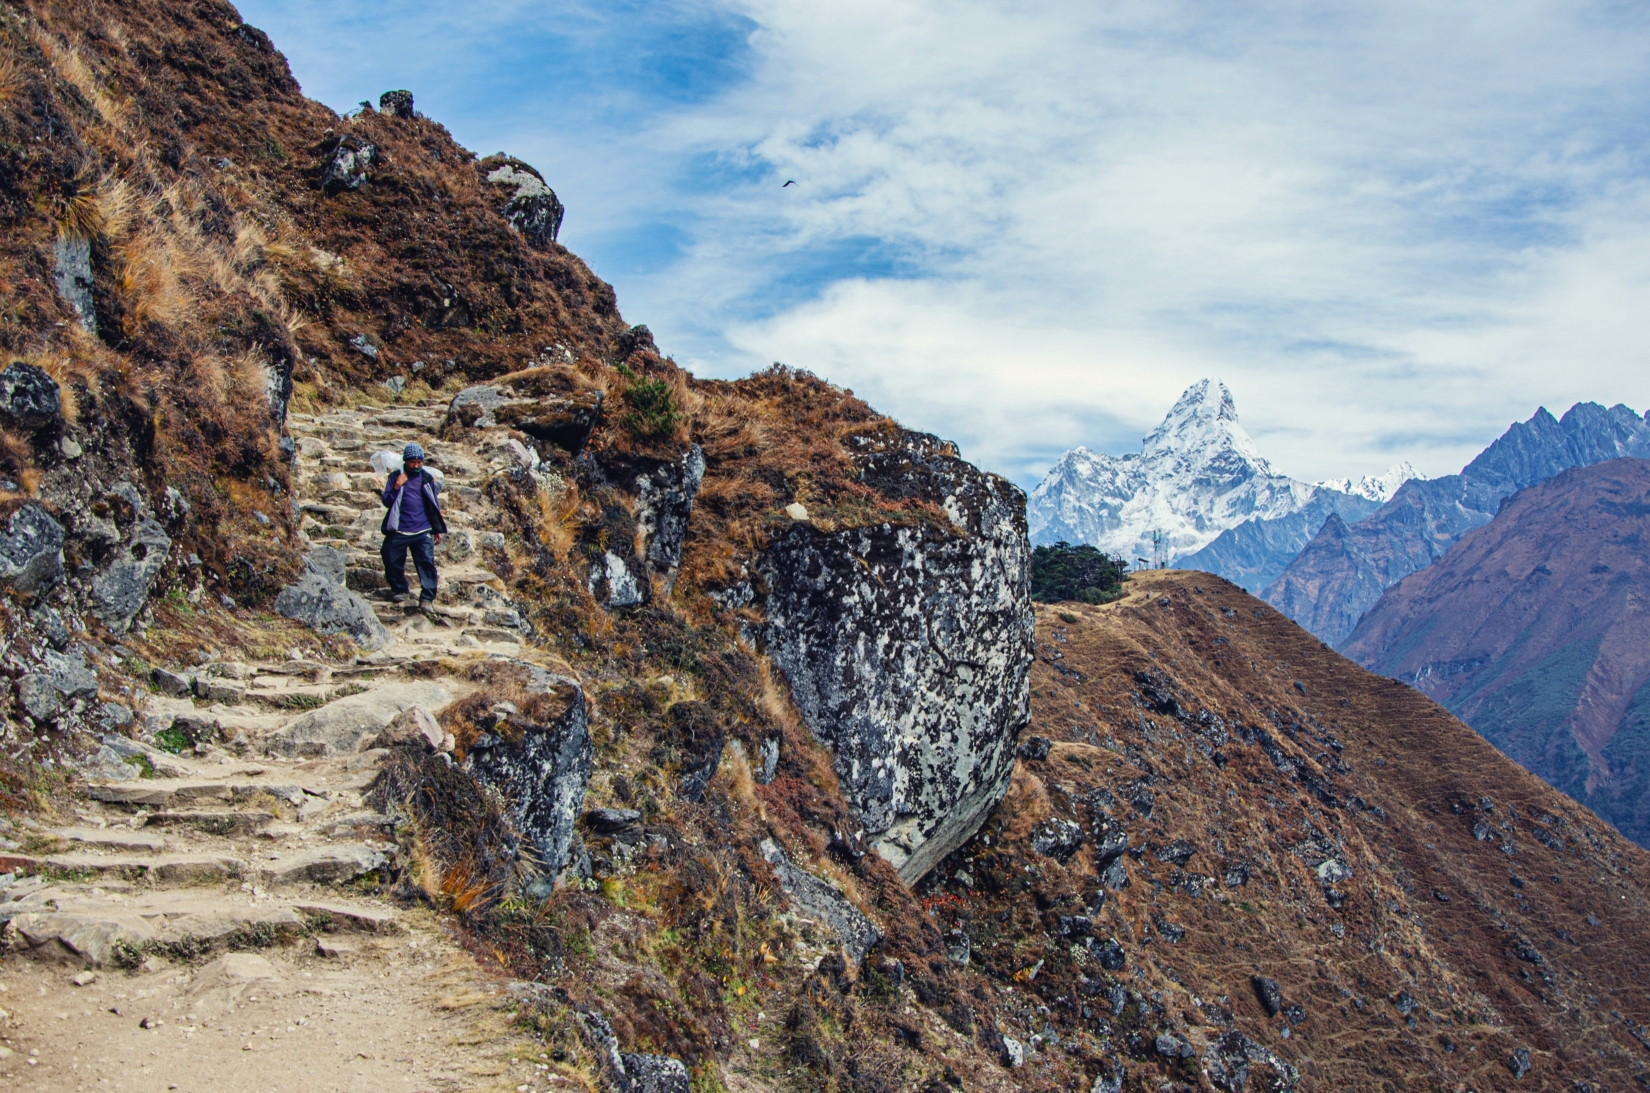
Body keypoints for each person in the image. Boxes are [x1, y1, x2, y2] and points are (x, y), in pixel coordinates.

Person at [380, 442, 446, 611]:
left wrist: (437, 528)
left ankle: (427, 598)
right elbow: (387, 500)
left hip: (422, 529)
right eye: (412, 462)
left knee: (426, 563)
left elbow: (433, 503)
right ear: (405, 461)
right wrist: (396, 486)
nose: (416, 465)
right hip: (399, 529)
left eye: (419, 462)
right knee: (390, 556)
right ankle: (400, 589)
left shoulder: (426, 478)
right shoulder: (396, 476)